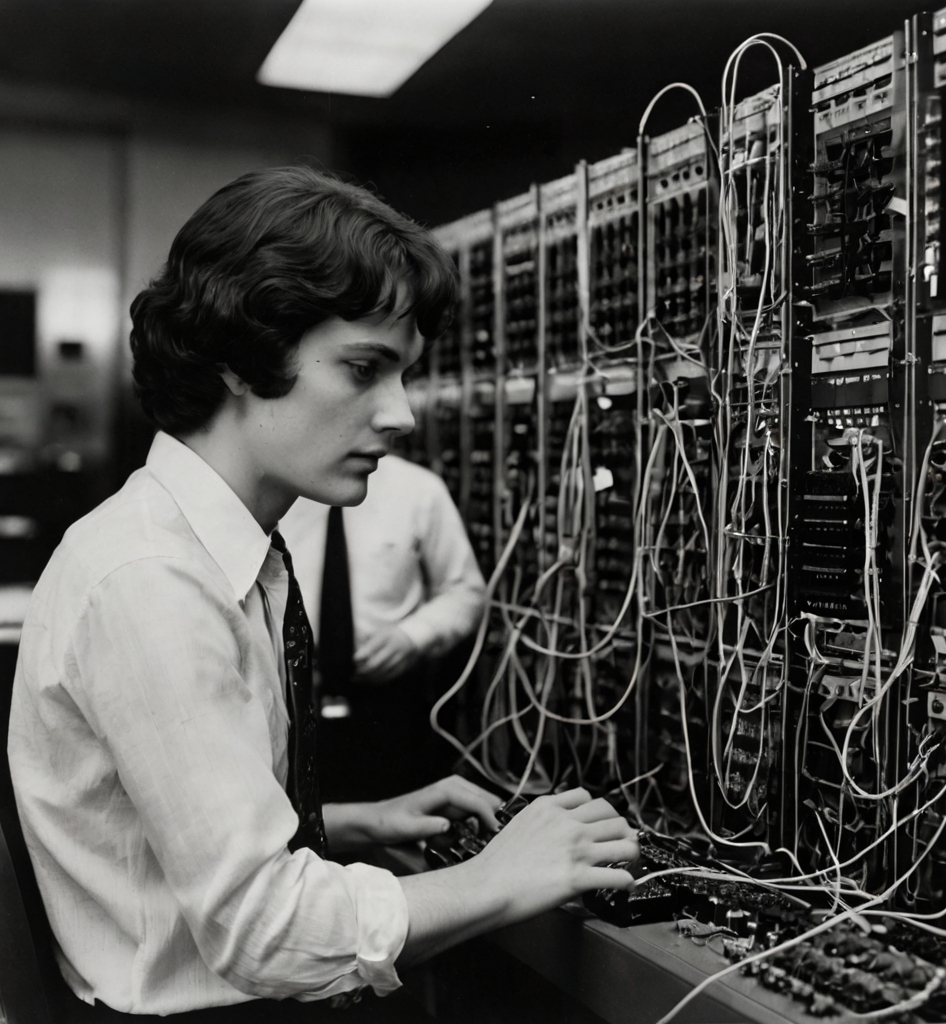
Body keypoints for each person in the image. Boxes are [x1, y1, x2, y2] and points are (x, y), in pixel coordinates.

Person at [7, 166, 638, 1020]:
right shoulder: (151, 582)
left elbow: (151, 842)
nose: (402, 414)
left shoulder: (213, 551)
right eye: (364, 368)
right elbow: (265, 932)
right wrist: (498, 876)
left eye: (404, 373)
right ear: (240, 359)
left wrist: (342, 825)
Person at [280, 455, 486, 801]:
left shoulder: (418, 490)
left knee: (395, 822)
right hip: (292, 700)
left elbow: (466, 591)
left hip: (389, 704)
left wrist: (413, 637)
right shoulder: (277, 489)